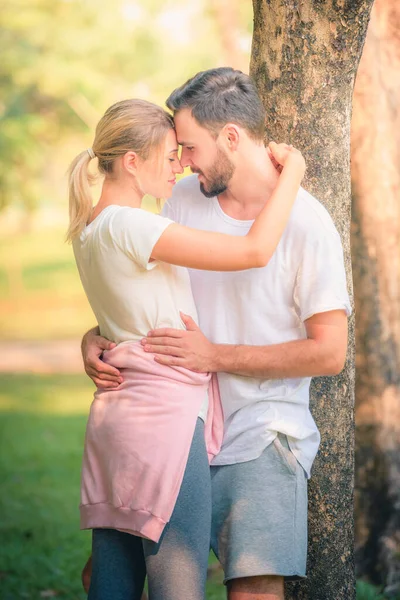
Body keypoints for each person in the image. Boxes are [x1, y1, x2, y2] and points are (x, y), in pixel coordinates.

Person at [82, 69, 351, 600]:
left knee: (251, 590)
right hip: (178, 430)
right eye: (175, 150)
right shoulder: (181, 199)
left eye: (189, 146)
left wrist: (214, 356)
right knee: (120, 578)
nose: (182, 160)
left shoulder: (307, 223)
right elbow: (148, 289)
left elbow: (330, 352)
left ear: (230, 136)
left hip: (259, 432)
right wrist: (99, 334)